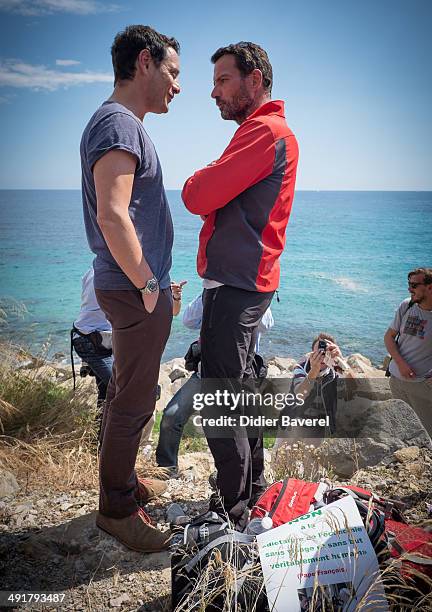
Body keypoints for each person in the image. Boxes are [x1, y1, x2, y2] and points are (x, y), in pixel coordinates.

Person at [182, 42, 299, 529]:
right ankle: (250, 495)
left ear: (255, 81)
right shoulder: (260, 132)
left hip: (236, 284)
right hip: (246, 282)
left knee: (219, 396)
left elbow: (198, 194)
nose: (212, 93)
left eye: (222, 80)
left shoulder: (265, 131)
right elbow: (218, 192)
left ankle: (234, 513)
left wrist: (205, 182)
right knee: (241, 388)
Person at [80, 25, 180, 552]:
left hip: (132, 286)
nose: (177, 86)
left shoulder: (121, 123)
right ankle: (116, 508)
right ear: (145, 61)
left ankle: (123, 485)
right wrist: (147, 285)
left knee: (127, 392)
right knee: (134, 399)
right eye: (173, 72)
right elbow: (114, 216)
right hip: (131, 286)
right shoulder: (118, 124)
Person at [155, 293, 274, 476]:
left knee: (239, 431)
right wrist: (209, 294)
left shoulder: (253, 296)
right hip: (206, 373)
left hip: (238, 378)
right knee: (172, 416)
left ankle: (241, 477)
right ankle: (167, 469)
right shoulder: (212, 293)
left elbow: (266, 324)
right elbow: (188, 320)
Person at [384, 267, 432, 437]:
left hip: (423, 385)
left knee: (428, 432)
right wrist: (400, 363)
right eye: (408, 284)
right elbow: (389, 337)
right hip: (397, 380)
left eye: (414, 285)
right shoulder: (406, 305)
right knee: (405, 430)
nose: (409, 289)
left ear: (429, 287)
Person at [71, 268, 113, 410]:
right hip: (93, 340)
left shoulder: (93, 269)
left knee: (106, 393)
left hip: (91, 336)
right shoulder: (112, 273)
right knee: (119, 388)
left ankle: (100, 430)